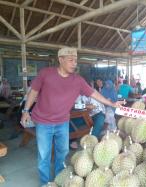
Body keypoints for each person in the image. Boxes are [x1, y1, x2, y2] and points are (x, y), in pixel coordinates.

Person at [21, 47, 124, 186]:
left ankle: (59, 179)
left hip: (63, 121)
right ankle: (44, 183)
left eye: (75, 60)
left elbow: (94, 93)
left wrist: (111, 103)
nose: (74, 63)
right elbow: (33, 92)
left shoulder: (78, 80)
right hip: (43, 122)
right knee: (44, 155)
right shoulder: (46, 73)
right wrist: (26, 110)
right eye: (70, 60)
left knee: (62, 152)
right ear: (60, 60)